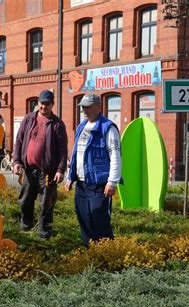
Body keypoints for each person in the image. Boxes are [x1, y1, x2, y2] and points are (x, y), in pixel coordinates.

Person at [65, 93, 122, 246]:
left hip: (100, 185)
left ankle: (108, 254)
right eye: (83, 107)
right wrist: (70, 177)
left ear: (98, 107)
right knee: (84, 219)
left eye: (88, 107)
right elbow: (76, 153)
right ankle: (90, 253)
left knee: (100, 220)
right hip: (82, 184)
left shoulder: (108, 128)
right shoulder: (81, 126)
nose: (85, 110)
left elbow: (116, 156)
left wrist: (112, 182)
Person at [13, 90, 68, 240]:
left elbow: (63, 150)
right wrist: (17, 161)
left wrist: (60, 170)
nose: (44, 106)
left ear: (52, 105)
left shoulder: (57, 124)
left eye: (47, 104)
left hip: (48, 173)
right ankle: (26, 228)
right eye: (42, 103)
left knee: (47, 205)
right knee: (25, 201)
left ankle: (44, 233)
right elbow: (18, 141)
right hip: (29, 171)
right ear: (38, 103)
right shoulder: (29, 119)